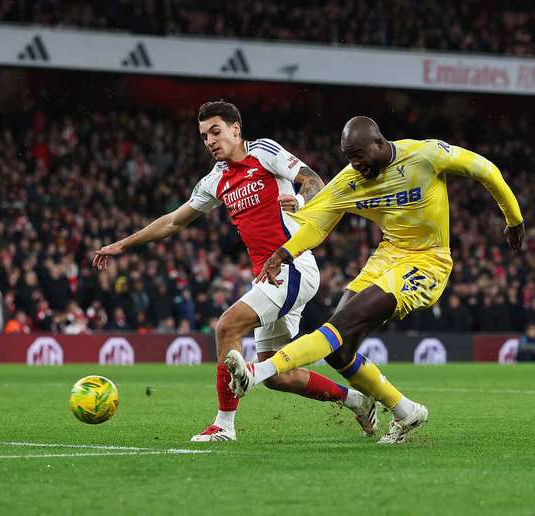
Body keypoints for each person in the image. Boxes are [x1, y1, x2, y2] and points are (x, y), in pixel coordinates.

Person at [226, 116, 524, 444]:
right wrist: (285, 252)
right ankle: (405, 411)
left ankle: (258, 373)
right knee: (339, 352)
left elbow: (485, 170)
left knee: (337, 329)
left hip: (427, 263)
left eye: (359, 155)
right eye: (348, 157)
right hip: (385, 259)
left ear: (379, 144)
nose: (356, 164)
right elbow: (317, 224)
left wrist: (514, 220)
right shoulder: (350, 179)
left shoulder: (424, 155)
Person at [94, 101, 377, 442]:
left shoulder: (264, 151)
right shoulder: (215, 181)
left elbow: (312, 180)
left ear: (235, 130)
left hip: (293, 265)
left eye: (215, 132)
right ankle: (358, 401)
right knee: (275, 374)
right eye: (203, 136)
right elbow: (172, 222)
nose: (210, 141)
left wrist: (301, 202)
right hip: (268, 276)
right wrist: (121, 246)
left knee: (226, 326)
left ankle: (224, 425)